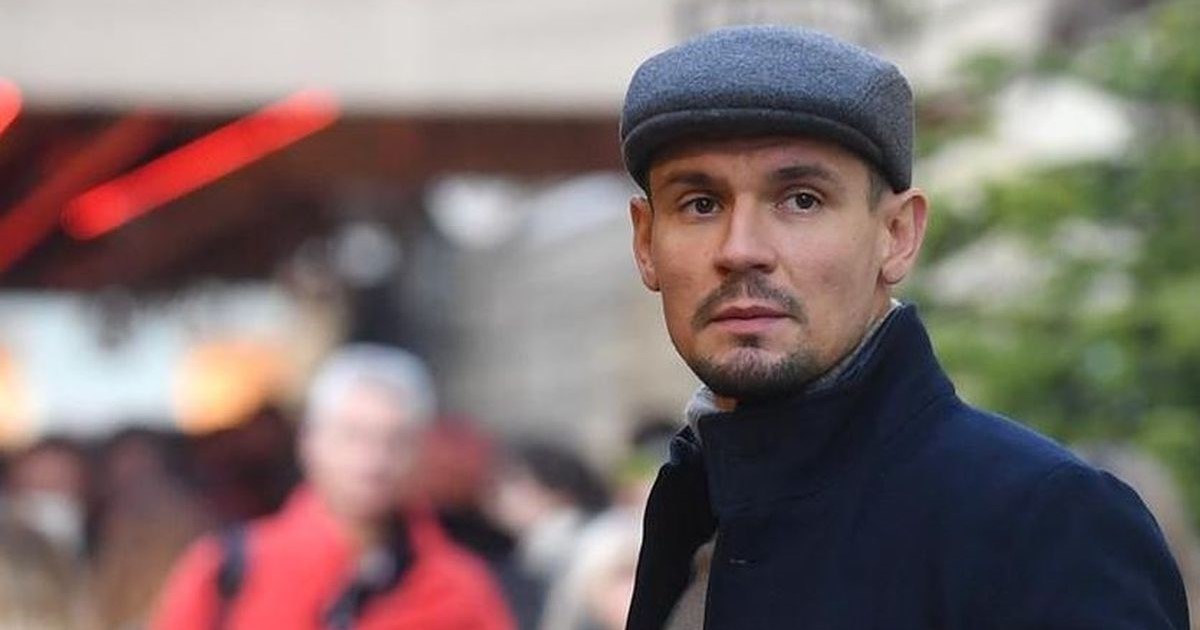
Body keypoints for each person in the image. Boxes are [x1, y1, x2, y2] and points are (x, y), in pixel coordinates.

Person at [618, 25, 1190, 629]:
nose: (741, 250)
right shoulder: (688, 511)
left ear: (897, 235)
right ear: (646, 242)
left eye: (801, 199)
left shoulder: (1043, 523)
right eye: (701, 204)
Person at [152, 344, 515, 630]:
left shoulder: (460, 587)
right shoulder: (230, 569)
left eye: (394, 441)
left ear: (420, 452)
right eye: (352, 436)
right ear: (310, 440)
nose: (372, 461)